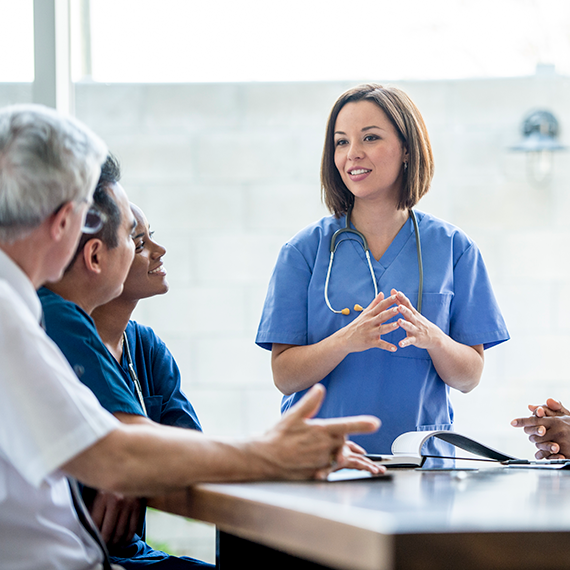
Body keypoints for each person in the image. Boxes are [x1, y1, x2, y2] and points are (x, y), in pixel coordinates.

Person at [0, 104, 382, 570]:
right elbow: (113, 454)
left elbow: (119, 448)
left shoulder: (36, 312)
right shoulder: (16, 315)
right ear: (64, 223)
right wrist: (273, 453)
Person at [256, 83, 510, 457]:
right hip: (322, 462)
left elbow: (469, 377)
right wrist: (346, 339)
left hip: (420, 462)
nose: (352, 154)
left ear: (407, 148)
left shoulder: (454, 248)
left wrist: (434, 338)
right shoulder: (304, 252)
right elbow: (285, 376)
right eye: (341, 142)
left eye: (370, 138)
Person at [39, 155, 205, 568]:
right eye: (136, 239)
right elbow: (137, 450)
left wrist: (135, 463)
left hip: (127, 552)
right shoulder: (53, 319)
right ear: (96, 256)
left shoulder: (145, 347)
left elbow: (190, 448)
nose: (155, 251)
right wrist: (132, 457)